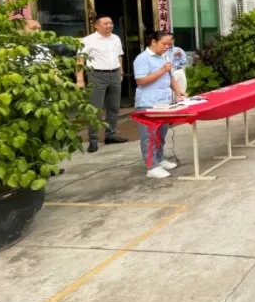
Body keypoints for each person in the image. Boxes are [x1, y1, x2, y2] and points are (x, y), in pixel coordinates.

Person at [134, 30, 186, 179]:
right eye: (164, 44)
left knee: (161, 134)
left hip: (164, 103)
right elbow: (141, 81)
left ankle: (159, 158)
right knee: (149, 136)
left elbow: (171, 77)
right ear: (153, 42)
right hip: (148, 103)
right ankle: (151, 167)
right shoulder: (142, 59)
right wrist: (162, 70)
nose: (167, 47)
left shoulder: (165, 57)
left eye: (169, 44)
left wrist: (178, 92)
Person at [77, 15, 127, 152]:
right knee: (95, 109)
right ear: (96, 26)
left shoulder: (115, 38)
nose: (109, 26)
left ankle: (111, 135)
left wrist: (121, 72)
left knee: (114, 107)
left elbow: (119, 56)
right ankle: (93, 139)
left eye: (111, 23)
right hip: (96, 75)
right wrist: (80, 79)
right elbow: (80, 60)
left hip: (114, 74)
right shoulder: (88, 40)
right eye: (106, 24)